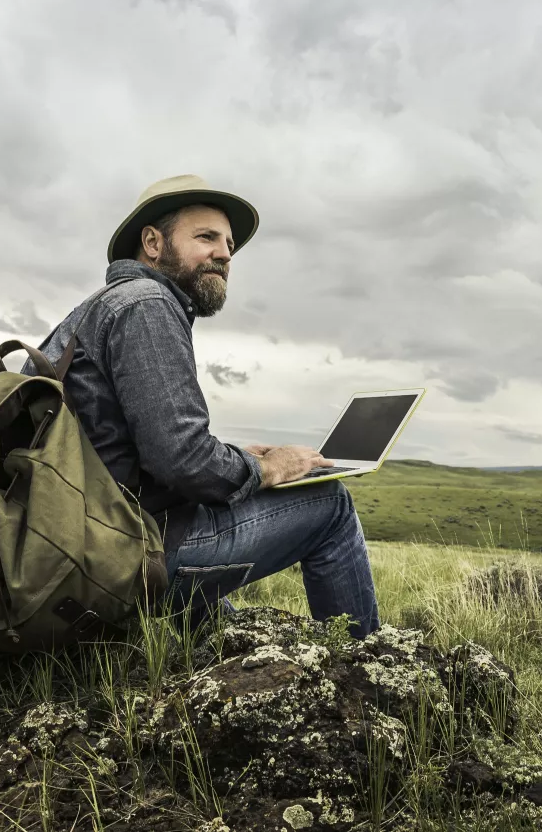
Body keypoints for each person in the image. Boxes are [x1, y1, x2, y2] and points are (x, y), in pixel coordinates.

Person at [24, 175, 380, 638]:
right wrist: (270, 469)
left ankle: (219, 649)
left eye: (229, 244)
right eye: (206, 237)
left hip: (77, 543)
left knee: (214, 514)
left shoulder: (100, 308)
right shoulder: (146, 304)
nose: (225, 254)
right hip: (125, 553)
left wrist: (237, 457)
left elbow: (135, 452)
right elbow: (183, 460)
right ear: (153, 243)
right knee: (330, 503)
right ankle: (367, 669)